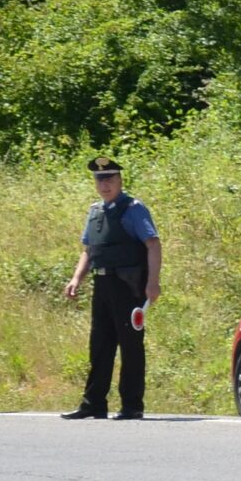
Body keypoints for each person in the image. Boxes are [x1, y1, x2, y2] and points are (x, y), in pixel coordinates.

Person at [62, 155, 161, 420]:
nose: (104, 184)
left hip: (128, 284)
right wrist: (76, 279)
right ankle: (93, 403)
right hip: (103, 283)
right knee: (100, 344)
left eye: (109, 179)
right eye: (100, 179)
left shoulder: (134, 209)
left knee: (130, 344)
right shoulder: (95, 211)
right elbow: (89, 250)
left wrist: (152, 283)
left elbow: (153, 244)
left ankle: (132, 405)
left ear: (120, 180)